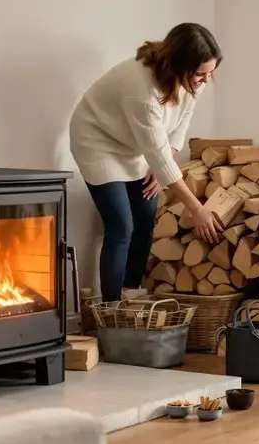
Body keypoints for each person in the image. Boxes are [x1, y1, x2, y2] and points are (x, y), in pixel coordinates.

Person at [64, 22, 224, 302]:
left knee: (146, 216)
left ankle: (132, 292)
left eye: (211, 72)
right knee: (121, 224)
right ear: (179, 63)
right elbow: (155, 148)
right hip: (98, 140)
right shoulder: (140, 88)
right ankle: (111, 308)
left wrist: (166, 157)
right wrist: (196, 208)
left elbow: (181, 122)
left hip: (136, 142)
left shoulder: (191, 79)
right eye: (201, 74)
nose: (206, 80)